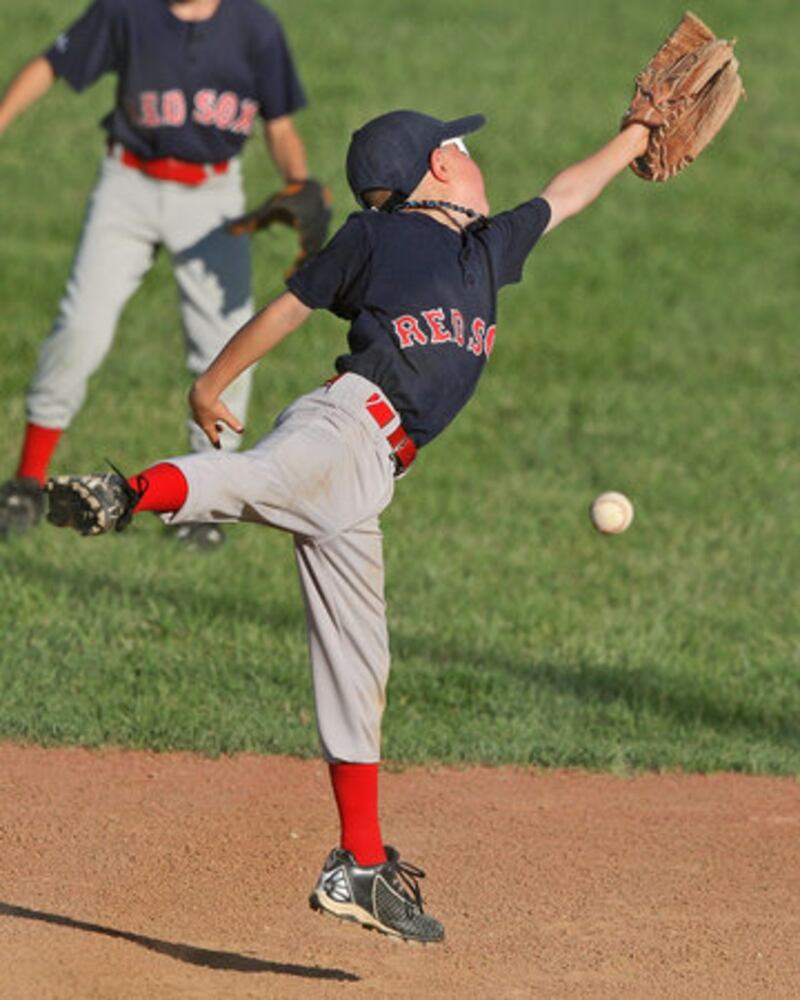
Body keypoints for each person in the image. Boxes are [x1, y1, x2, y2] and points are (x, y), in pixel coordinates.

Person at [44, 108, 651, 942]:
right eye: (461, 150)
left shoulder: (486, 248)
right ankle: (125, 492)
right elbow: (292, 308)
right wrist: (211, 382)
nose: (475, 162)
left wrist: (633, 139)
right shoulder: (372, 237)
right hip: (344, 429)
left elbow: (567, 193)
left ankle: (359, 866)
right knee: (259, 477)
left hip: (370, 481)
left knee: (361, 666)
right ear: (434, 172)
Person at [0, 0, 318, 548]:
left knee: (225, 340)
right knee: (82, 327)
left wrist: (300, 183)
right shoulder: (127, 10)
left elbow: (280, 126)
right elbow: (52, 63)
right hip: (128, 187)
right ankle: (27, 481)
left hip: (215, 198)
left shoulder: (254, 26)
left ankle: (204, 503)